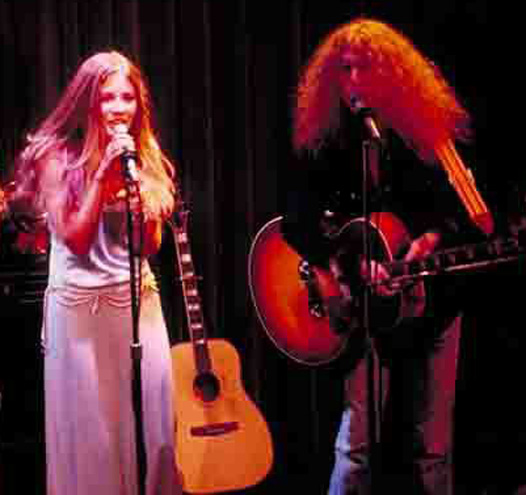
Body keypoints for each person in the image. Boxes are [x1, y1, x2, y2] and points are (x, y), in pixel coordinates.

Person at [280, 17, 490, 494]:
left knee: (433, 448)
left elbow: (459, 214)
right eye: (346, 70)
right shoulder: (328, 138)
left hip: (434, 305)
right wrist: (347, 263)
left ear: (393, 74)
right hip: (369, 309)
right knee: (356, 446)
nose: (354, 82)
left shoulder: (428, 131)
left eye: (366, 70)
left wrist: (431, 240)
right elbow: (297, 221)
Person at [12, 51, 182, 495]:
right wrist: (101, 179)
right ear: (87, 101)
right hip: (80, 314)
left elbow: (149, 247)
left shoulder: (143, 154)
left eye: (127, 97)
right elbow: (75, 238)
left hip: (139, 305)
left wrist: (142, 205)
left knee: (162, 435)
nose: (119, 107)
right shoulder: (56, 157)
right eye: (107, 97)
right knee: (98, 445)